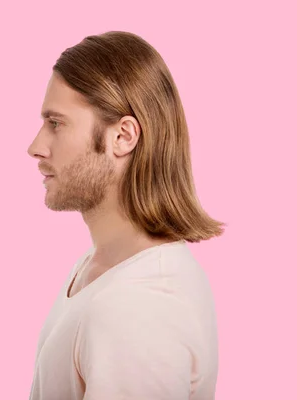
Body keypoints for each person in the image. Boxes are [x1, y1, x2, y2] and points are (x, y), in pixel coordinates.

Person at [26, 31, 225, 400]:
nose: (36, 147)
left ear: (123, 137)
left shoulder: (139, 306)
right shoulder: (102, 266)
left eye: (56, 123)